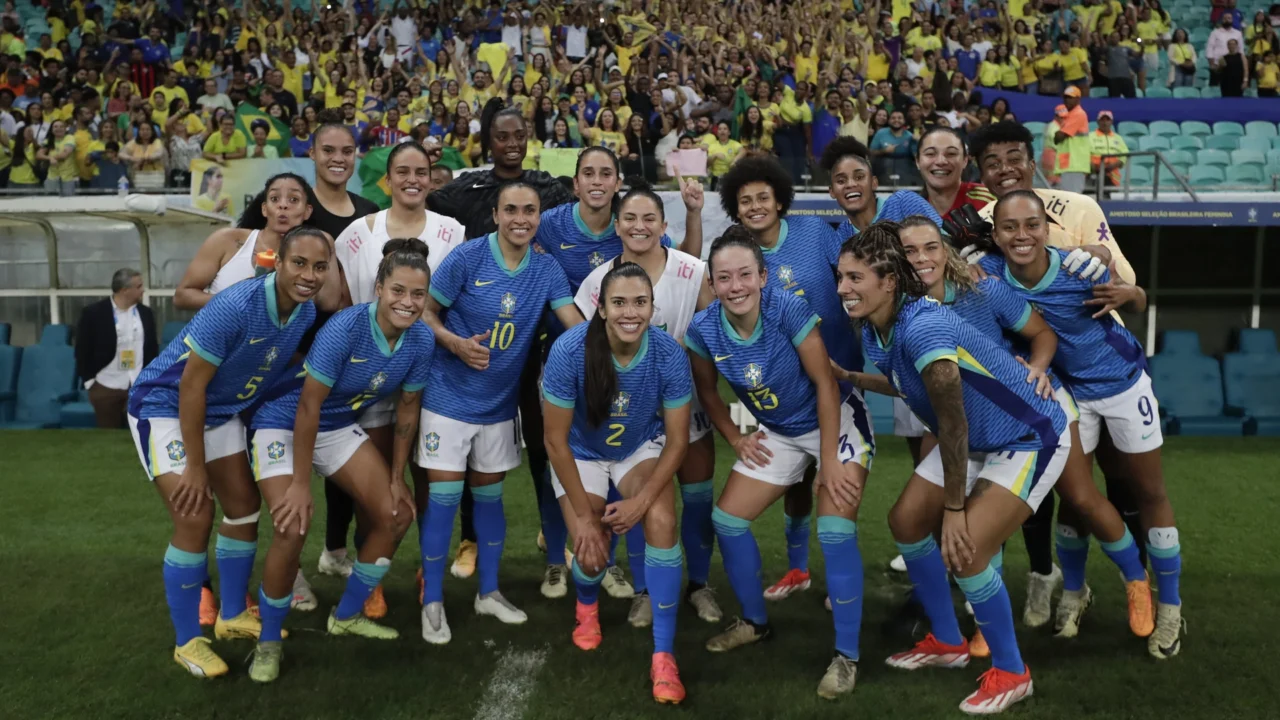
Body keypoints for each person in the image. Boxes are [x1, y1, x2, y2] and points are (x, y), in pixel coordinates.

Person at [838, 222, 1070, 715]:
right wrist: (854, 378)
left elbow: (952, 422)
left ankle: (1013, 672)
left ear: (889, 281)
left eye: (855, 278)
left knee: (965, 550)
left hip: (1028, 436)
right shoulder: (879, 329)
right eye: (841, 277)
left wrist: (955, 509)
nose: (842, 289)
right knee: (903, 521)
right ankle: (948, 641)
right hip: (979, 436)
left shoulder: (922, 327)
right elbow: (911, 385)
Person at [893, 216, 1155, 652]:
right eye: (909, 252)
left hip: (1031, 407)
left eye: (931, 247)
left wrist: (1035, 368)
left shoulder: (982, 288)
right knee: (977, 520)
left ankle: (1135, 578)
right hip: (974, 423)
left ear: (947, 251)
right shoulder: (904, 307)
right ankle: (983, 623)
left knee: (1082, 498)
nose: (921, 259)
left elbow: (1043, 334)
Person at [983, 191, 1180, 659]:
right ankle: (1074, 592)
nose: (1021, 235)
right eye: (1009, 227)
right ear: (996, 235)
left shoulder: (1077, 267)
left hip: (1122, 384)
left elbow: (1135, 299)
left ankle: (1169, 605)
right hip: (1067, 394)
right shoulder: (990, 276)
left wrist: (1129, 291)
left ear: (1046, 228)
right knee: (1073, 498)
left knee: (1149, 492)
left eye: (1031, 224)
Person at [126, 226, 330, 678]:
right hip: (165, 404)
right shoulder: (235, 306)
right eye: (299, 263)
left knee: (242, 506)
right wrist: (196, 467)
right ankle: (186, 642)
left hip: (219, 410)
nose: (309, 275)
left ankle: (233, 615)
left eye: (319, 266)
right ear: (277, 262)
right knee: (195, 513)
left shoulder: (304, 311)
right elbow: (191, 386)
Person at [966, 119, 1146, 622]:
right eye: (991, 162)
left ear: (1033, 158)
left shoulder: (1079, 207)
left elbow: (1125, 286)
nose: (1004, 170)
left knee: (1119, 484)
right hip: (1040, 381)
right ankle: (1053, 582)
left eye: (1013, 157)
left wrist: (1097, 256)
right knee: (1050, 490)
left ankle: (1143, 578)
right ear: (980, 171)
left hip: (1102, 369)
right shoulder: (973, 224)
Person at [687, 228, 872, 700]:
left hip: (835, 420)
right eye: (724, 277)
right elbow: (706, 390)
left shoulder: (788, 308)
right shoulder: (703, 329)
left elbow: (826, 385)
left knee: (833, 531)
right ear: (711, 281)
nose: (736, 286)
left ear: (763, 276)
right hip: (780, 431)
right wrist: (734, 436)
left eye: (745, 274)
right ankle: (754, 622)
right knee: (727, 520)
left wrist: (828, 461)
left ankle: (846, 656)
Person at [244, 239, 436, 682]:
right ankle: (268, 641)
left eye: (418, 294)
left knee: (395, 514)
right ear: (379, 289)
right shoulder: (345, 328)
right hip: (283, 421)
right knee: (292, 525)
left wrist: (395, 477)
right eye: (398, 291)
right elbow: (308, 406)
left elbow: (408, 407)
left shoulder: (421, 339)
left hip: (333, 426)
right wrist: (298, 484)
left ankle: (346, 614)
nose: (407, 303)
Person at [417, 182, 584, 644]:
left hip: (498, 406)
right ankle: (432, 602)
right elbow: (426, 311)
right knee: (445, 502)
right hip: (447, 400)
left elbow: (573, 323)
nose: (521, 218)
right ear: (495, 214)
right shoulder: (467, 258)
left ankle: (487, 592)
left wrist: (609, 350)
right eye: (511, 209)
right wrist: (453, 342)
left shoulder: (547, 268)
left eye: (529, 211)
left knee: (491, 501)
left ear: (538, 217)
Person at [172, 173, 340, 618]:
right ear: (263, 206)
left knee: (256, 496)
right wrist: (241, 308)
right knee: (203, 501)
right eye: (275, 198)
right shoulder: (230, 241)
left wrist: (321, 252)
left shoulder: (315, 257)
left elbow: (331, 304)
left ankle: (284, 575)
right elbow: (183, 294)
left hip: (264, 388)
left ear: (307, 210)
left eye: (295, 200)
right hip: (216, 376)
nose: (284, 206)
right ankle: (205, 589)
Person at [714, 153, 869, 603]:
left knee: (836, 484)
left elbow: (851, 277)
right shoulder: (739, 255)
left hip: (836, 381)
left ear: (780, 201)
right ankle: (798, 570)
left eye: (764, 197)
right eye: (746, 201)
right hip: (786, 396)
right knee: (798, 485)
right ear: (736, 208)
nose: (756, 206)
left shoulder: (815, 232)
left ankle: (837, 575)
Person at [543, 261, 693, 704]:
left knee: (663, 520)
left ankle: (664, 656)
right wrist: (587, 522)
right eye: (620, 302)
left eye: (640, 302)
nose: (631, 312)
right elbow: (554, 441)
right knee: (591, 554)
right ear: (602, 308)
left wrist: (643, 500)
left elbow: (679, 441)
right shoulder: (570, 350)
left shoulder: (668, 353)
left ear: (652, 306)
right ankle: (586, 606)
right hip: (580, 453)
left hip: (637, 449)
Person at [573, 187, 720, 627]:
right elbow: (591, 353)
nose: (639, 226)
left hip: (685, 404)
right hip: (626, 416)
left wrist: (681, 350)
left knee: (695, 499)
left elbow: (715, 335)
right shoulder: (597, 282)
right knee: (635, 502)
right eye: (630, 218)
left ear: (663, 225)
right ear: (616, 225)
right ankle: (643, 590)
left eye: (649, 217)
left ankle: (700, 585)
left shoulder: (693, 271)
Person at [332, 140, 466, 615]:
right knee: (377, 491)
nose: (413, 179)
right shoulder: (354, 235)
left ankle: (429, 570)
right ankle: (372, 579)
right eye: (403, 171)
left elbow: (457, 302)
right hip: (371, 382)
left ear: (432, 178)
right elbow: (347, 303)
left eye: (422, 171)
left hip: (432, 378)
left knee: (430, 482)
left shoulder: (453, 231)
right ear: (387, 178)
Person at [299, 116, 383, 592]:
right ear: (312, 153)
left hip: (350, 357)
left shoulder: (369, 213)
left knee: (342, 457)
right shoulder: (292, 204)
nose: (338, 158)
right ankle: (287, 568)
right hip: (291, 354)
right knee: (284, 466)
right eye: (328, 149)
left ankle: (334, 550)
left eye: (347, 150)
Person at [74, 268, 158, 428]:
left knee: (141, 436)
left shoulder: (146, 313)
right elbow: (82, 351)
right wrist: (90, 382)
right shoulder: (94, 313)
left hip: (138, 385)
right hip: (106, 385)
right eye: (139, 286)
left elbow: (152, 349)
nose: (143, 290)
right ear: (125, 290)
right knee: (109, 438)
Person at [820, 138, 943, 241]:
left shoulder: (904, 203)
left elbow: (948, 245)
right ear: (832, 191)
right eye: (841, 181)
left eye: (859, 177)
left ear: (874, 182)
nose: (850, 184)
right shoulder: (842, 236)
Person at [915, 127, 996, 218]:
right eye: (930, 154)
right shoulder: (909, 212)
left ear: (965, 160)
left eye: (951, 154)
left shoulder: (989, 200)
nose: (941, 161)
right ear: (917, 161)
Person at [1051, 87, 1090, 194]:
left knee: (1072, 200)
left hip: (1075, 164)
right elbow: (1056, 139)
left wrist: (1058, 134)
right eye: (1065, 97)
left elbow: (1059, 136)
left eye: (1070, 98)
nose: (1067, 100)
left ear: (1078, 99)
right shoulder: (1070, 115)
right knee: (1067, 200)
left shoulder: (1078, 114)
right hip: (1068, 165)